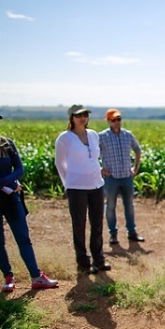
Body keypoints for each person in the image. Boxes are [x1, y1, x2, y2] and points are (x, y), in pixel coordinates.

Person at [0, 106, 58, 293]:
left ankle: (36, 276)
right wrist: (6, 183)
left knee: (23, 237)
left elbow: (20, 170)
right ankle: (8, 277)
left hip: (11, 197)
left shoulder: (7, 144)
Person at [55, 105, 111, 274]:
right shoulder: (65, 138)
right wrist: (68, 183)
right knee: (79, 225)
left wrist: (98, 173)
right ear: (71, 118)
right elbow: (60, 163)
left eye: (85, 115)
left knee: (97, 224)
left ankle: (99, 259)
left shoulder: (93, 135)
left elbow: (94, 159)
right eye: (78, 115)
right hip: (76, 187)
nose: (82, 118)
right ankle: (83, 262)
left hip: (96, 185)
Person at [98, 108, 144, 245]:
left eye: (119, 119)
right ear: (108, 121)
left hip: (126, 176)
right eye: (113, 120)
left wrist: (135, 168)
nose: (117, 122)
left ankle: (132, 232)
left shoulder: (127, 135)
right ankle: (113, 234)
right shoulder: (102, 137)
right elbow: (91, 153)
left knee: (129, 206)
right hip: (111, 178)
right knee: (110, 206)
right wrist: (99, 169)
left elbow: (137, 150)